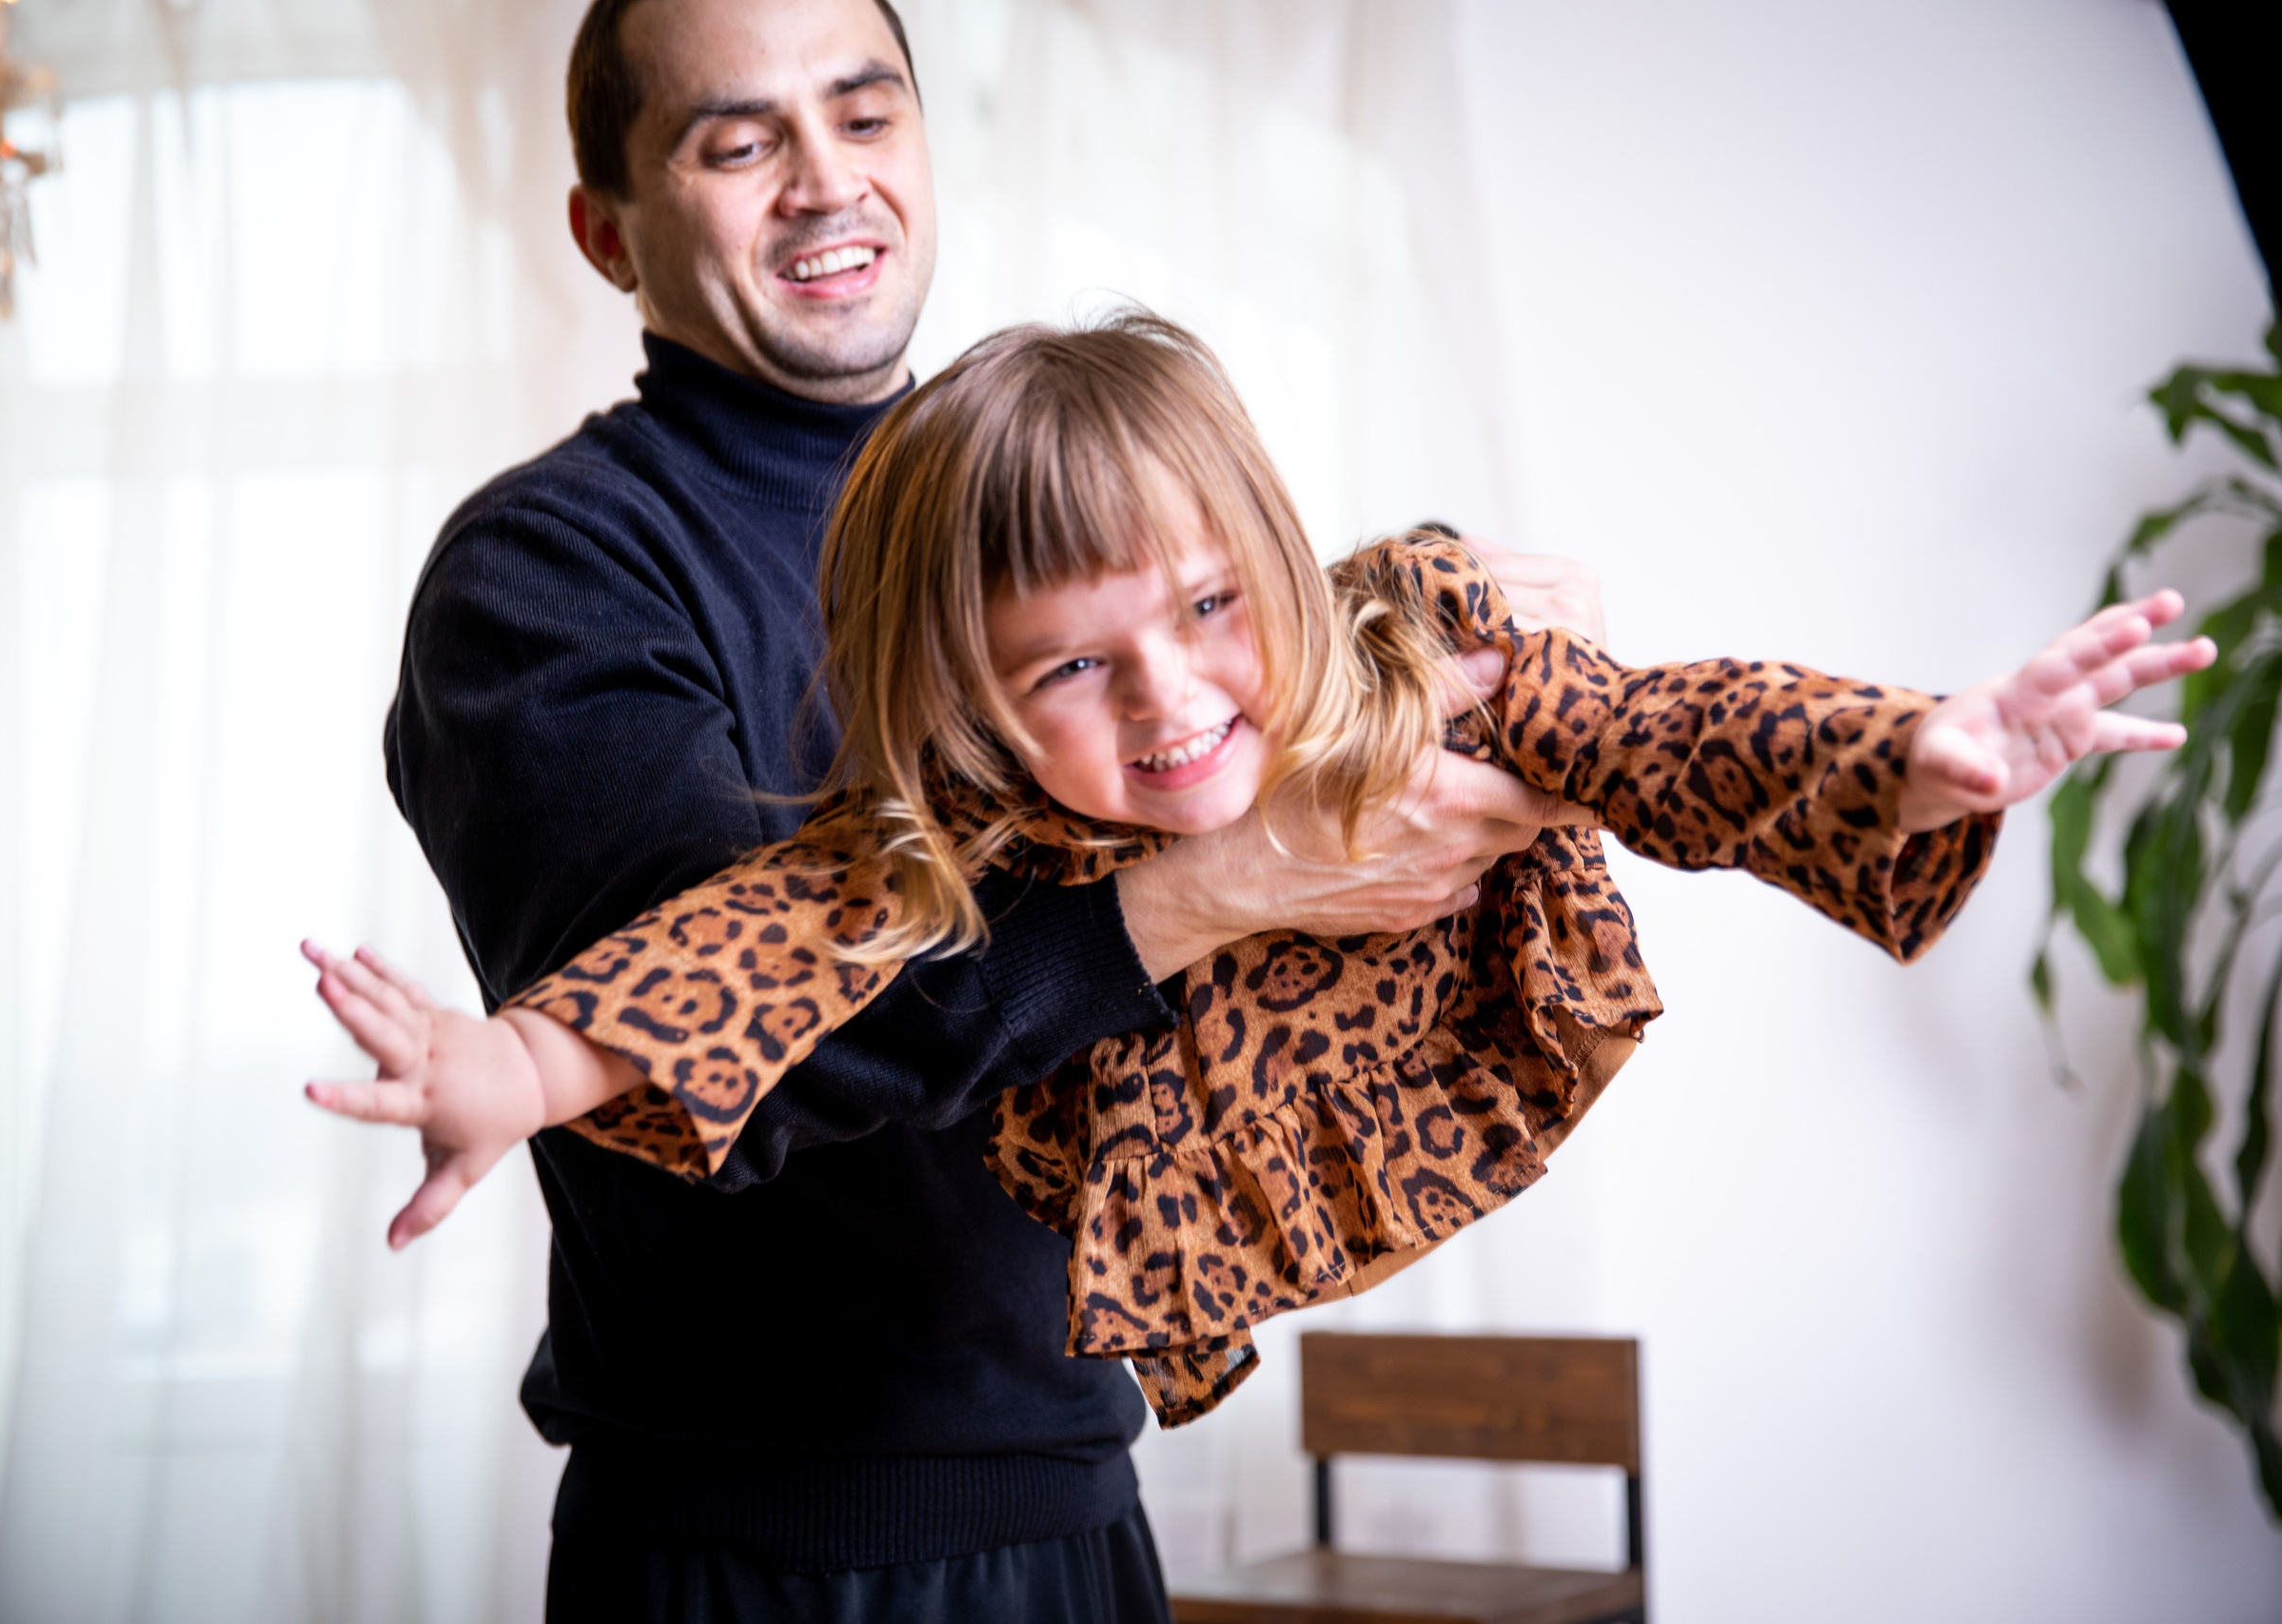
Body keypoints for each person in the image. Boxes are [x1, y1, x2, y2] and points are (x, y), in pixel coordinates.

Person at [319, 315, 2211, 1434]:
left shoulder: (1409, 651)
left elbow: (1666, 733)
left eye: (1214, 607)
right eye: (1073, 669)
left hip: (1424, 1057)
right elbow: (745, 951)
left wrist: (1916, 750)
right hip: (1124, 1214)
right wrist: (514, 1067)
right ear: (972, 696)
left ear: (1276, 560)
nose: (1171, 697)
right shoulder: (951, 815)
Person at [376, 0, 1603, 1617]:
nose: (828, 181)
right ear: (608, 234)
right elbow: (724, 1037)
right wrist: (1226, 884)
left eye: (865, 116)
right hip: (760, 1556)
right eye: (738, 144)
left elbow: (1219, 722)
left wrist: (1431, 646)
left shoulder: (1029, 509)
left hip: (1084, 1505)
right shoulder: (546, 572)